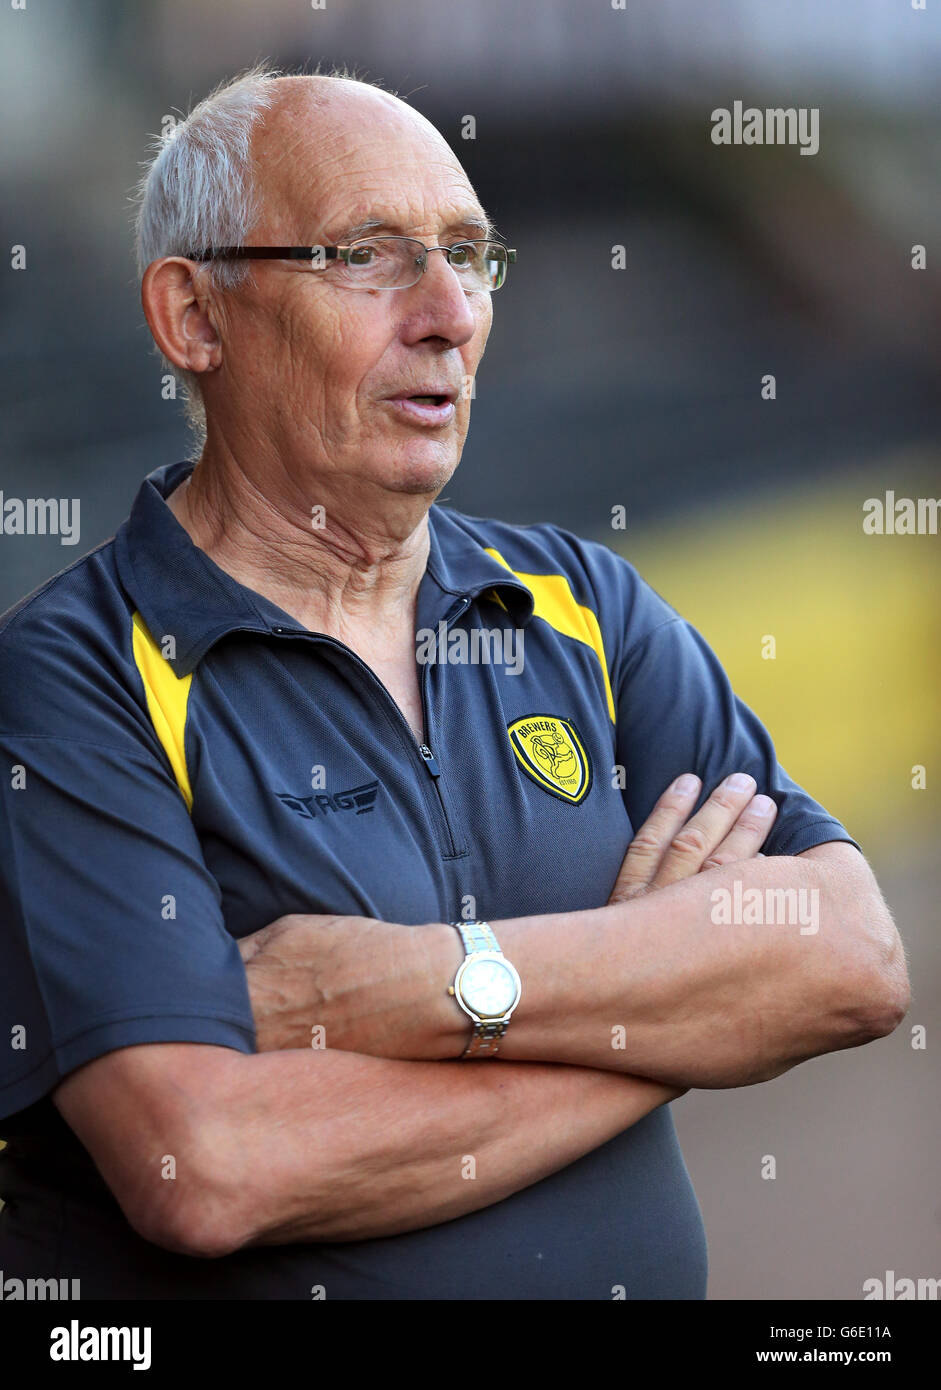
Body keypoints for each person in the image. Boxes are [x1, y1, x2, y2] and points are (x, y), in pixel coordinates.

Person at [0, 66, 908, 1300]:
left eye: (471, 256)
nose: (449, 314)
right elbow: (204, 1164)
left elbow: (851, 957)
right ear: (193, 317)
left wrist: (430, 984)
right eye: (368, 256)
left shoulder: (582, 603)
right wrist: (675, 1013)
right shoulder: (71, 680)